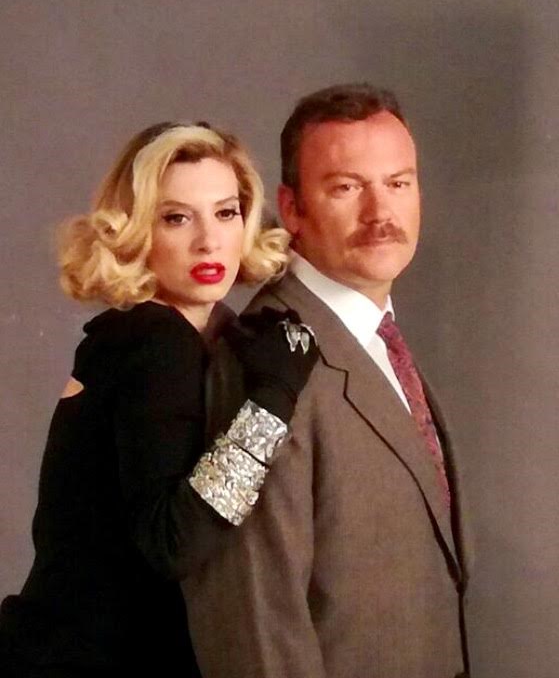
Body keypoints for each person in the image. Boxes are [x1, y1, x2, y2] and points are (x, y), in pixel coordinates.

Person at [0, 122, 318, 677]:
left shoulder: (158, 336)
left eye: (226, 212)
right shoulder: (155, 341)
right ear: (137, 231)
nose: (208, 241)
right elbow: (173, 543)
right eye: (176, 218)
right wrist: (274, 396)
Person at [183, 84, 471, 678]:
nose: (380, 213)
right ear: (291, 209)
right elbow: (255, 626)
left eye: (399, 183)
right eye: (346, 187)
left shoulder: (376, 338)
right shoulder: (264, 359)